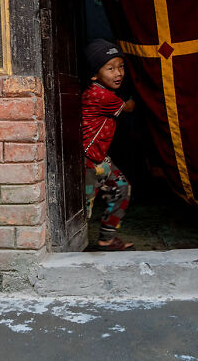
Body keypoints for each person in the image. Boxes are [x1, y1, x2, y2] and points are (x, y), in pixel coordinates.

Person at [82, 39, 135, 251]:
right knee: (84, 207)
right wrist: (142, 94)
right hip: (88, 162)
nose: (118, 73)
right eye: (110, 68)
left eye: (121, 66)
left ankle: (106, 239)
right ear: (95, 75)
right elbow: (128, 108)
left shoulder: (99, 92)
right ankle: (74, 248)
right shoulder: (101, 96)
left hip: (99, 159)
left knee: (121, 188)